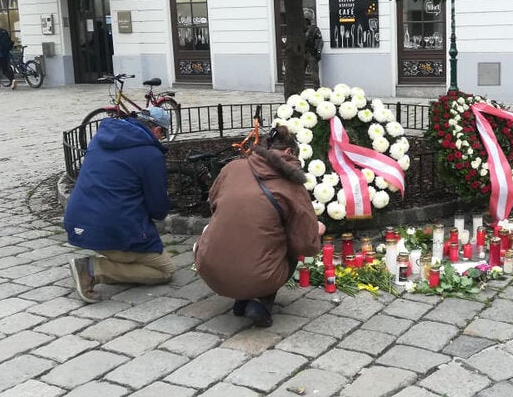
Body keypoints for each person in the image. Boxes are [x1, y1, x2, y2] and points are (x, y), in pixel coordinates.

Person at [194, 126, 324, 328]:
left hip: (209, 270)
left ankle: (241, 298)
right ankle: (260, 301)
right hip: (260, 276)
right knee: (292, 244)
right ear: (289, 153)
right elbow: (306, 245)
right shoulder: (291, 184)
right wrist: (316, 232)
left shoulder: (232, 168)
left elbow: (213, 203)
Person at [64, 107, 175, 303]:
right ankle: (92, 270)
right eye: (163, 134)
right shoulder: (150, 154)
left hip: (78, 219)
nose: (162, 139)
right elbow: (158, 210)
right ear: (157, 130)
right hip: (112, 227)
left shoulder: (101, 137)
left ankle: (113, 260)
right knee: (164, 270)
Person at [304, 9, 324, 88]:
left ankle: (315, 88)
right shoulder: (314, 29)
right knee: (313, 73)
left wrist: (318, 53)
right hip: (309, 53)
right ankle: (316, 88)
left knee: (313, 73)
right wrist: (318, 52)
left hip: (309, 53)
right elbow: (320, 41)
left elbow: (320, 42)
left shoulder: (313, 29)